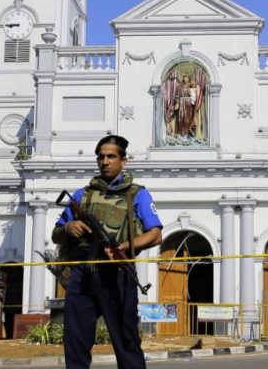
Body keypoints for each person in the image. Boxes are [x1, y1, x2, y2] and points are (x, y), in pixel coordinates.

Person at [52, 135, 162, 369]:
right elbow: (56, 234)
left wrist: (125, 247)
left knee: (126, 341)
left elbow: (155, 234)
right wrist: (69, 228)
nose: (105, 161)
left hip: (118, 274)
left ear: (124, 161)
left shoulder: (137, 194)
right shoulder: (83, 195)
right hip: (83, 275)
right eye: (101, 157)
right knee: (75, 343)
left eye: (111, 156)